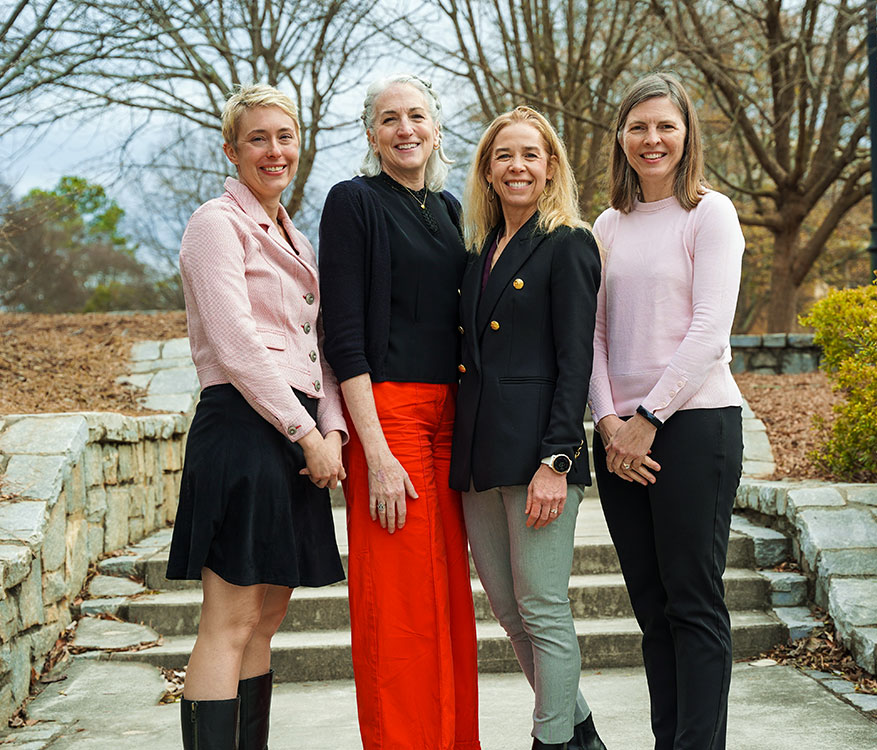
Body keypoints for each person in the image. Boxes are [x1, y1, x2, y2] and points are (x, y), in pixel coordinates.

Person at [168, 83, 348, 750]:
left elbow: (318, 347)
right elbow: (236, 343)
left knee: (266, 621)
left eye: (285, 137)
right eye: (258, 139)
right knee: (229, 621)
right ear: (232, 150)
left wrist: (332, 430)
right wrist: (305, 432)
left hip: (295, 434)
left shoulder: (295, 236)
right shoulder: (215, 223)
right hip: (243, 430)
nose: (274, 151)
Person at [317, 74, 480, 750]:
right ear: (370, 133)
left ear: (436, 130)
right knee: (399, 604)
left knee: (449, 597)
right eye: (389, 118)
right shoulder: (353, 201)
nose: (405, 128)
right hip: (388, 415)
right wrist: (375, 450)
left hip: (452, 419)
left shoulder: (450, 208)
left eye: (416, 116)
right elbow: (343, 333)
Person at [588, 73, 746, 750]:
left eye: (665, 126)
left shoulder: (710, 214)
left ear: (687, 135)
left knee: (693, 602)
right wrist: (608, 423)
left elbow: (709, 330)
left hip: (694, 428)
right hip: (619, 438)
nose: (652, 139)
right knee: (652, 611)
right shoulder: (607, 226)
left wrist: (647, 418)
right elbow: (593, 335)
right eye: (638, 127)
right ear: (621, 138)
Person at [450, 107, 608, 750]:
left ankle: (550, 741)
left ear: (550, 168)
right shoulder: (479, 250)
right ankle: (580, 734)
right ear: (488, 171)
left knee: (543, 609)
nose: (517, 166)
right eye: (504, 156)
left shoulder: (569, 242)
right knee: (512, 615)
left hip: (541, 459)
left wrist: (557, 461)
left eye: (530, 155)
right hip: (480, 458)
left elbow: (577, 363)